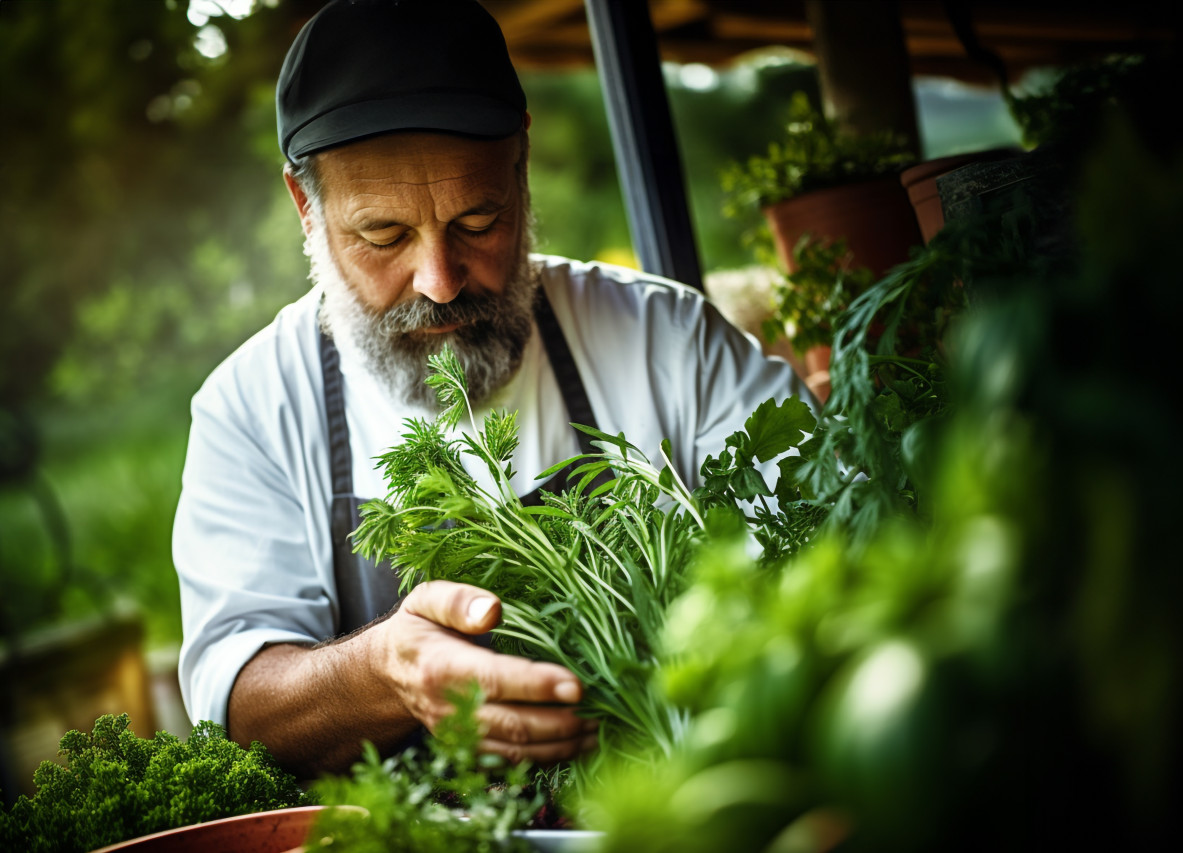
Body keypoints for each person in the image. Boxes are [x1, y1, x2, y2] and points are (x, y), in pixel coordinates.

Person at [174, 0, 811, 779]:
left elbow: (826, 532)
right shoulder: (252, 409)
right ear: (306, 207)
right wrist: (384, 673)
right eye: (384, 236)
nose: (440, 283)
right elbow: (240, 702)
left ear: (522, 164)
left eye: (479, 220)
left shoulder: (664, 340)